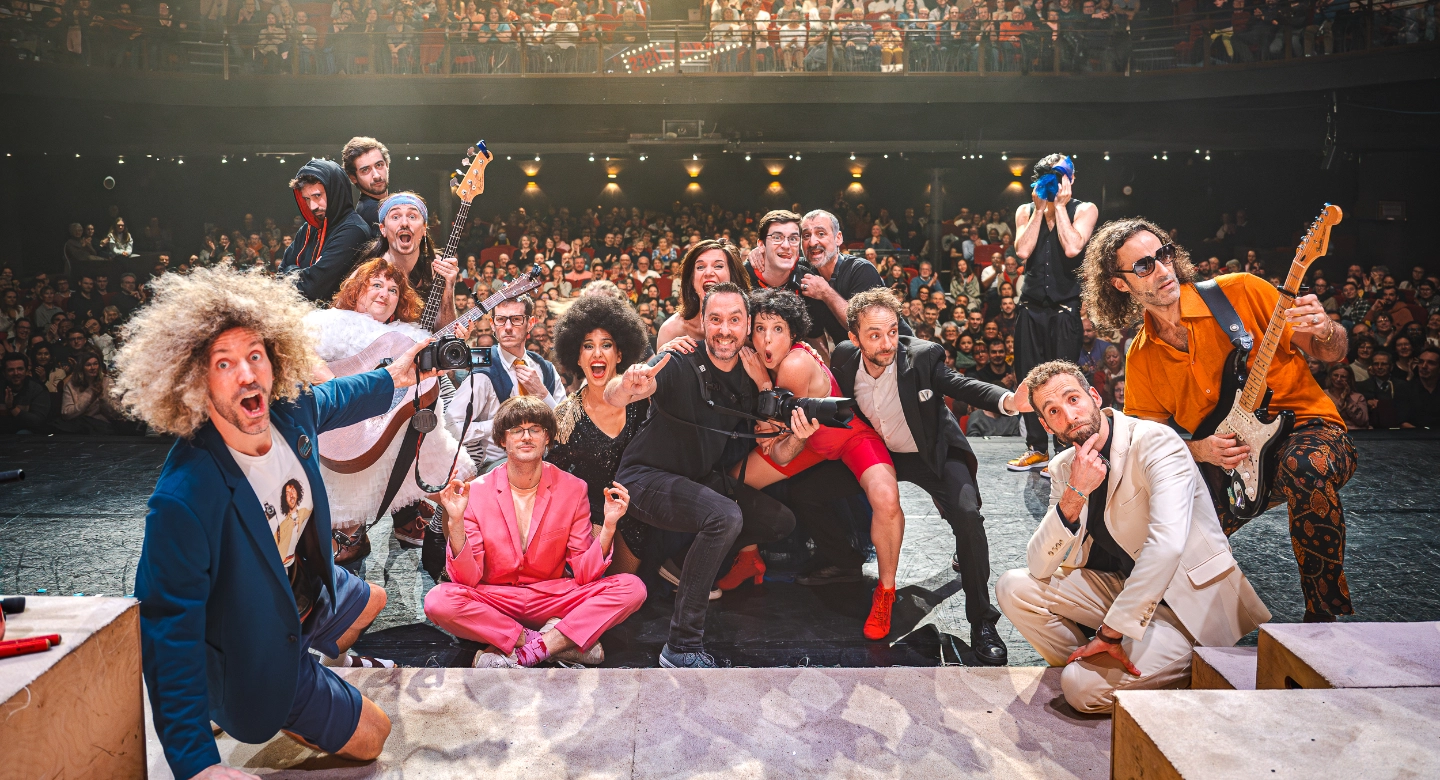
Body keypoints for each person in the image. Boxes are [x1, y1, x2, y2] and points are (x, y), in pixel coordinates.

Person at [117, 266, 444, 780]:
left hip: (299, 585)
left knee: (371, 599)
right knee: (374, 737)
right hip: (251, 638)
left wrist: (394, 377)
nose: (247, 374)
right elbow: (168, 631)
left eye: (254, 356)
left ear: (275, 360)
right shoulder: (184, 497)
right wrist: (196, 764)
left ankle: (306, 648)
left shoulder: (291, 413)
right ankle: (262, 694)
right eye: (224, 364)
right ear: (195, 383)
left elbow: (337, 398)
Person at [1082, 218, 1355, 623]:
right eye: (1143, 266)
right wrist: (1199, 449)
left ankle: (1326, 617)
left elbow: (1331, 351)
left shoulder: (1240, 292)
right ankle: (1176, 628)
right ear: (1120, 284)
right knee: (1167, 528)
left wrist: (1327, 330)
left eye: (1163, 255)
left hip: (1309, 431)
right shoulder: (1141, 356)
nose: (1161, 269)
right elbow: (1144, 441)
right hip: (1231, 459)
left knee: (1304, 465)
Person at [997, 361, 1270, 714]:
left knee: (1080, 691)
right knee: (1013, 587)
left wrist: (1111, 633)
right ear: (1047, 425)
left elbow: (1166, 545)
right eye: (1054, 411)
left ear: (1094, 396)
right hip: (1121, 590)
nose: (1069, 414)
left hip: (1184, 607)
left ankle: (1161, 666)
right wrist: (1073, 495)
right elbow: (1038, 564)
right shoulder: (1065, 466)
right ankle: (1092, 663)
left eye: (1073, 399)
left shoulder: (1155, 442)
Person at [820, 288, 1032, 665]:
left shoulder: (921, 356)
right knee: (809, 490)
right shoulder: (843, 356)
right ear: (854, 338)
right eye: (874, 335)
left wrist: (1008, 401)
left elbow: (959, 385)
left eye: (891, 330)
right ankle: (847, 565)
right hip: (879, 453)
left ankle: (982, 623)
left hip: (931, 452)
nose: (887, 343)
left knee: (968, 519)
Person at [607, 283, 803, 668]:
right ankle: (680, 646)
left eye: (734, 320)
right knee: (724, 515)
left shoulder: (752, 373)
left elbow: (773, 449)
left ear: (747, 324)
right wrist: (626, 386)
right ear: (703, 323)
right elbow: (619, 392)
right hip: (644, 479)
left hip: (696, 483)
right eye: (715, 320)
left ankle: (681, 559)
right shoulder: (679, 358)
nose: (725, 330)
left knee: (779, 521)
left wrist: (772, 396)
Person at [733, 288, 906, 639]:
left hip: (848, 438)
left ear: (793, 333)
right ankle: (749, 557)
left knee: (886, 500)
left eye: (778, 329)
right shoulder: (760, 355)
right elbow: (779, 442)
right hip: (808, 441)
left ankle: (885, 591)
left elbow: (777, 444)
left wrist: (763, 383)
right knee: (735, 480)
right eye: (761, 328)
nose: (767, 339)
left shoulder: (794, 364)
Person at [424, 396, 646, 668]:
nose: (526, 437)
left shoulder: (573, 488)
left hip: (552, 596)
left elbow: (584, 574)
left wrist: (609, 526)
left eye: (535, 429)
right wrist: (455, 522)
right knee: (438, 600)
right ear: (503, 440)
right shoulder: (477, 491)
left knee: (632, 588)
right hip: (497, 597)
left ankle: (523, 651)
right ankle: (554, 643)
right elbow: (467, 579)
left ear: (547, 438)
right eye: (516, 430)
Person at [307, 258, 474, 556]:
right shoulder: (327, 321)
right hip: (347, 435)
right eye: (376, 285)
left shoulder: (408, 335)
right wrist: (343, 390)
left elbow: (433, 369)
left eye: (394, 289)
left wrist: (454, 346)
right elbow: (301, 356)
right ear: (357, 290)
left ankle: (452, 558)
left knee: (461, 487)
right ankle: (350, 542)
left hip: (402, 442)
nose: (385, 293)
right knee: (339, 538)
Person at [545, 294, 653, 574]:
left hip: (643, 514)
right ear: (577, 357)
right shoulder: (565, 416)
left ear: (620, 354)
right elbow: (554, 485)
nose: (597, 354)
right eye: (588, 346)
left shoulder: (643, 402)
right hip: (591, 522)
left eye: (606, 345)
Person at [1008, 154, 1098, 474]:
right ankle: (1036, 448)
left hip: (1064, 312)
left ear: (1070, 179)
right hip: (1030, 311)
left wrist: (1059, 207)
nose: (1053, 182)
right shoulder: (1025, 210)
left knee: (1064, 384)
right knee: (1029, 380)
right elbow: (1022, 251)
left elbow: (1073, 247)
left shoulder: (1084, 209)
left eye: (1059, 176)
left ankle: (1063, 452)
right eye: (1047, 176)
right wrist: (1039, 209)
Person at [447, 295, 566, 472]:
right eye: (501, 320)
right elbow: (450, 428)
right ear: (493, 325)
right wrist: (496, 425)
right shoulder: (483, 372)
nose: (508, 327)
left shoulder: (545, 368)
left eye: (516, 320)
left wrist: (543, 395)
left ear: (530, 323)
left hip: (546, 462)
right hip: (499, 465)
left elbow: (566, 428)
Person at [351, 192, 459, 329]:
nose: (404, 223)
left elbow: (444, 332)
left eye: (412, 216)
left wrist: (449, 288)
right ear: (382, 229)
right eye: (395, 217)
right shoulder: (367, 274)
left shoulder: (435, 269)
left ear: (424, 228)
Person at [280, 158, 374, 302]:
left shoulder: (354, 230)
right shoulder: (308, 228)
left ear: (336, 191)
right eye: (307, 199)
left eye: (317, 196)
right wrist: (301, 274)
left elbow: (314, 287)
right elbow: (280, 274)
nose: (313, 206)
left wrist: (291, 271)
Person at [654, 238, 752, 349]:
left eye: (718, 266)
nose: (708, 273)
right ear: (691, 280)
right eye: (700, 267)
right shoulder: (671, 330)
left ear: (732, 275)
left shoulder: (754, 328)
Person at [341, 136, 392, 237]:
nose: (376, 176)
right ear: (353, 178)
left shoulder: (380, 207)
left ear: (387, 165)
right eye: (365, 170)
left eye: (379, 165)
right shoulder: (373, 211)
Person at [2, 352, 51, 434]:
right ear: (4, 373)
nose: (16, 373)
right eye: (11, 370)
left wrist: (12, 407)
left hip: (28, 434)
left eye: (20, 369)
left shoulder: (38, 389)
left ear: (26, 371)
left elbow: (37, 421)